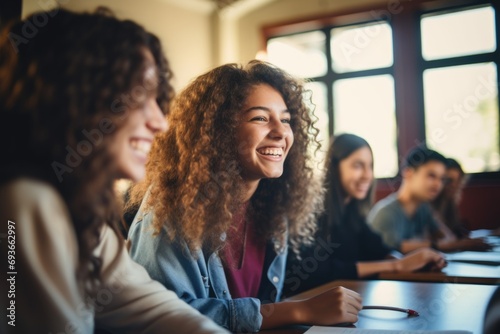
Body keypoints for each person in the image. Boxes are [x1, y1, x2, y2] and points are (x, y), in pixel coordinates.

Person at [0, 8, 227, 334]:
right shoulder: (25, 199)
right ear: (75, 93)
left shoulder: (81, 204)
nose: (161, 122)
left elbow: (148, 308)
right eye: (139, 97)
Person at [126, 61, 363, 333]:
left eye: (285, 120)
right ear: (219, 132)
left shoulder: (273, 208)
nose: (280, 132)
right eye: (260, 118)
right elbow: (161, 320)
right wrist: (300, 309)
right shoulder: (171, 208)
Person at [284, 134, 446, 296]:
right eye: (357, 166)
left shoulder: (352, 212)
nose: (368, 175)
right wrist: (397, 266)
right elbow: (318, 272)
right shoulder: (311, 211)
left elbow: (379, 249)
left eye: (370, 166)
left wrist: (412, 262)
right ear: (334, 167)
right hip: (309, 305)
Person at [368, 145, 489, 253]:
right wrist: (436, 244)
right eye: (431, 176)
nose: (438, 185)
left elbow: (449, 238)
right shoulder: (385, 213)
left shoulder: (423, 208)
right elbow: (391, 249)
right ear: (408, 173)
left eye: (442, 179)